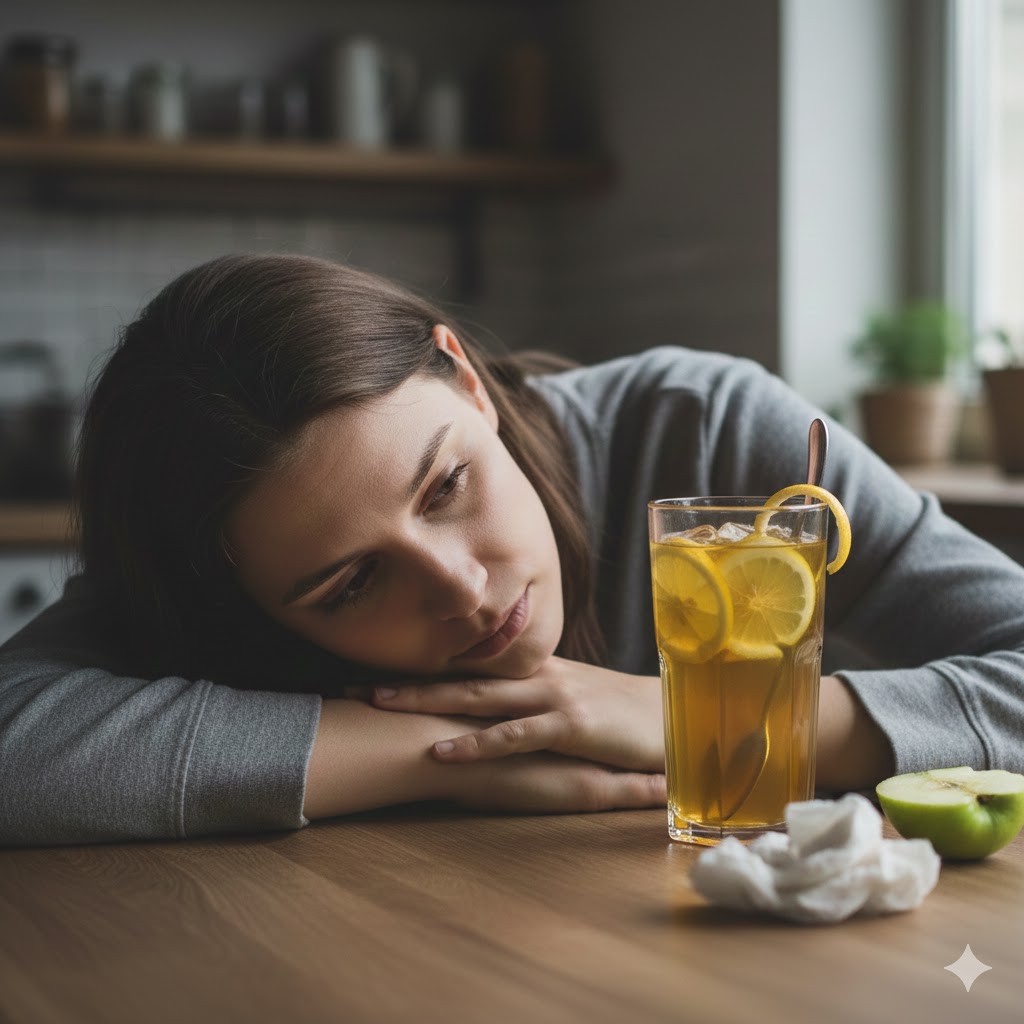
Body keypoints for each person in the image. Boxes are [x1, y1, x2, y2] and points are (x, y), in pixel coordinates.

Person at [1, 253, 1022, 847]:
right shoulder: (202, 575)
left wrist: (707, 723)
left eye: (446, 485)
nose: (460, 586)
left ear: (466, 378)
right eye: (351, 584)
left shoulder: (704, 425)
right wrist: (451, 759)